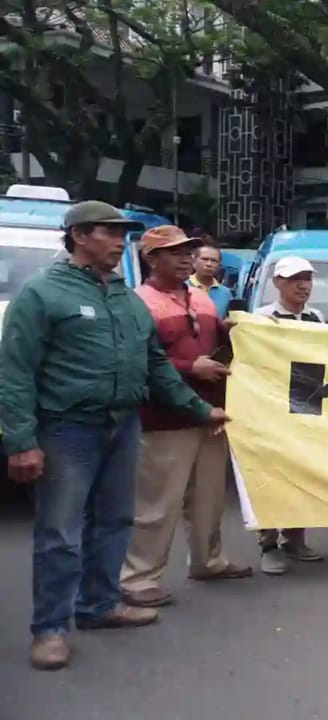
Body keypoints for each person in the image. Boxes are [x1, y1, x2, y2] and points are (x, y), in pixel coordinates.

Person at [0, 201, 231, 671]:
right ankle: (50, 628)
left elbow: (156, 368)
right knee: (61, 533)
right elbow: (15, 372)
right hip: (67, 429)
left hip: (123, 425)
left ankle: (100, 605)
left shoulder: (126, 300)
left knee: (115, 521)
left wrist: (199, 409)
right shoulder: (42, 295)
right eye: (110, 232)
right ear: (79, 235)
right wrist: (21, 441)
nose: (121, 240)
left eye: (123, 232)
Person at [120, 227, 251, 609]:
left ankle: (208, 560)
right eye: (173, 252)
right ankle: (138, 578)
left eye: (188, 251)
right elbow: (140, 362)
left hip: (209, 414)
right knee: (158, 503)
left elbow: (214, 345)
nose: (184, 258)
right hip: (163, 418)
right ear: (151, 258)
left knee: (208, 498)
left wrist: (231, 333)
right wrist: (189, 367)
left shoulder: (203, 300)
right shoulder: (139, 302)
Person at [253, 256, 326, 573]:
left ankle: (295, 538)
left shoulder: (317, 317)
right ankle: (268, 545)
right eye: (295, 278)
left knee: (302, 475)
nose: (303, 285)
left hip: (306, 409)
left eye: (307, 278)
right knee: (270, 478)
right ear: (277, 283)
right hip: (270, 409)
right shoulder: (260, 319)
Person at [188, 244, 233, 319]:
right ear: (194, 262)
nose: (209, 264)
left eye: (214, 261)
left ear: (219, 266)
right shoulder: (182, 287)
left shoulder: (225, 293)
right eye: (205, 259)